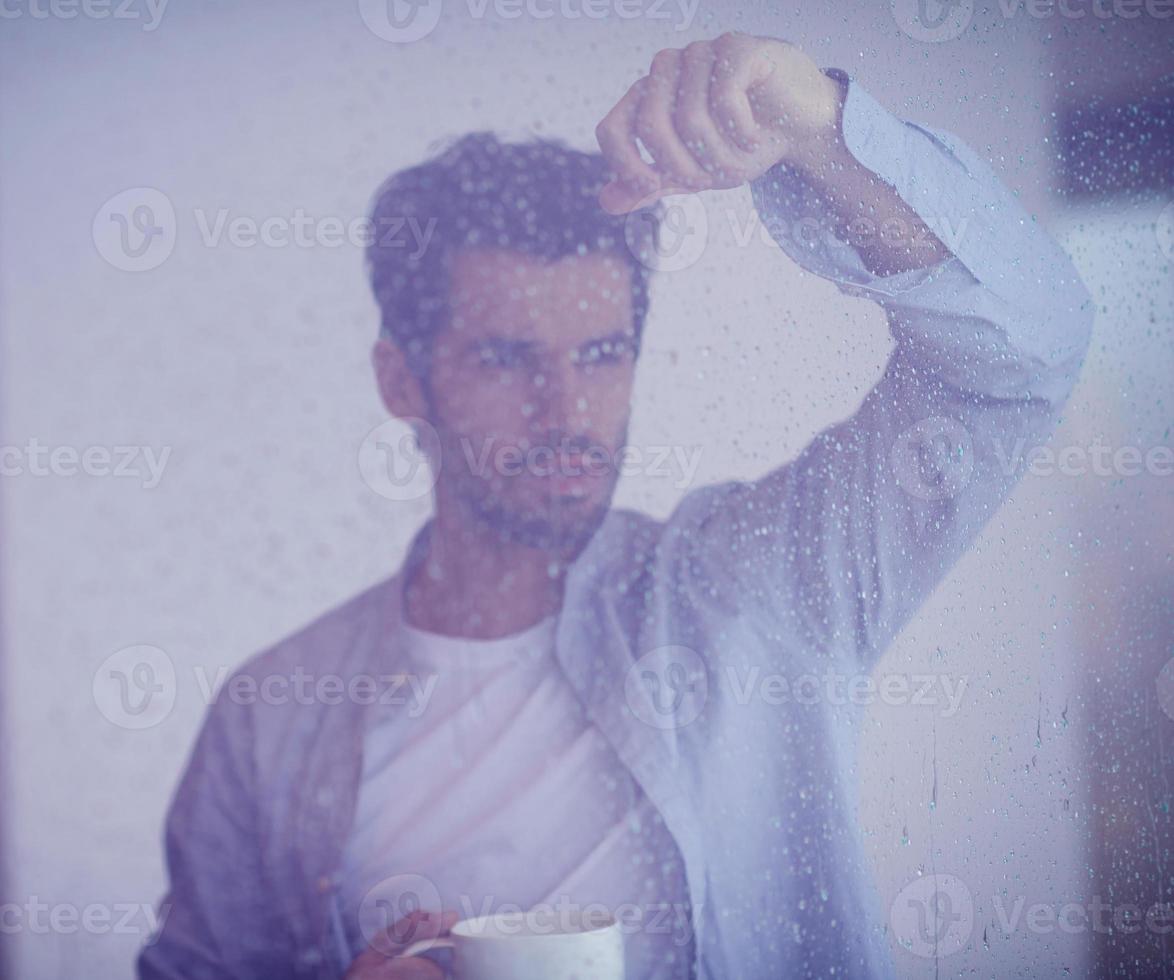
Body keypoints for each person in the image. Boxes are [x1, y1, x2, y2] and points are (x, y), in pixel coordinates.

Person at [137, 31, 1093, 980]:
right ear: (402, 380)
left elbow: (1021, 357)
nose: (566, 413)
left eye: (599, 355)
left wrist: (824, 132)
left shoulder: (759, 592)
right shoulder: (267, 722)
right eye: (508, 359)